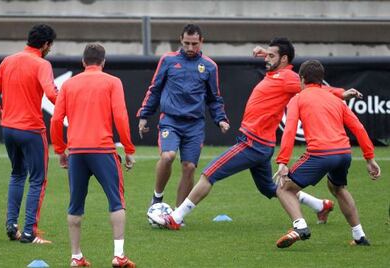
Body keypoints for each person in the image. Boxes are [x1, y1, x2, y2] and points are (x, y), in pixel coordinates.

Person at [149, 37, 362, 230]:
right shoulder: (276, 72)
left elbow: (316, 89)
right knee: (271, 188)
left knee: (209, 174)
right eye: (266, 55)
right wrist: (264, 52)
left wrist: (341, 93)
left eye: (271, 56)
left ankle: (176, 217)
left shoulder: (288, 78)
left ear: (284, 58)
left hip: (252, 143)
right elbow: (275, 62)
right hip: (262, 144)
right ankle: (320, 205)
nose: (266, 59)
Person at [273, 60, 381, 248]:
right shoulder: (335, 99)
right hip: (343, 154)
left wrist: (282, 162)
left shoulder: (297, 99)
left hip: (320, 154)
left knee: (284, 188)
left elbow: (289, 131)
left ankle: (300, 226)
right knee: (338, 188)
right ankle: (359, 236)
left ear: (302, 78)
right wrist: (369, 158)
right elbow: (358, 127)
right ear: (322, 79)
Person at [50, 43, 136, 267]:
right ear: (104, 62)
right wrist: (128, 148)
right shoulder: (112, 82)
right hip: (103, 150)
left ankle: (76, 256)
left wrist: (60, 150)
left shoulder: (69, 84)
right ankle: (118, 255)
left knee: (75, 205)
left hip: (77, 152)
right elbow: (121, 116)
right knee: (116, 202)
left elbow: (56, 120)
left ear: (83, 62)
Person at [137, 24, 230, 209]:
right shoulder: (168, 60)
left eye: (194, 44)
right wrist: (144, 115)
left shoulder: (210, 66)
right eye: (186, 43)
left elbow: (214, 98)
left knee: (189, 167)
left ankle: (177, 215)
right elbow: (154, 89)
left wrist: (220, 119)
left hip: (194, 125)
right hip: (170, 121)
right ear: (181, 40)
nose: (190, 48)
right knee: (168, 156)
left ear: (201, 42)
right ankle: (157, 198)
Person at [0, 24, 57, 244]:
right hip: (31, 130)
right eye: (50, 46)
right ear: (45, 44)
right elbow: (52, 94)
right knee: (38, 180)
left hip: (9, 129)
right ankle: (29, 233)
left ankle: (12, 224)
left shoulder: (9, 60)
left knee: (17, 174)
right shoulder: (42, 63)